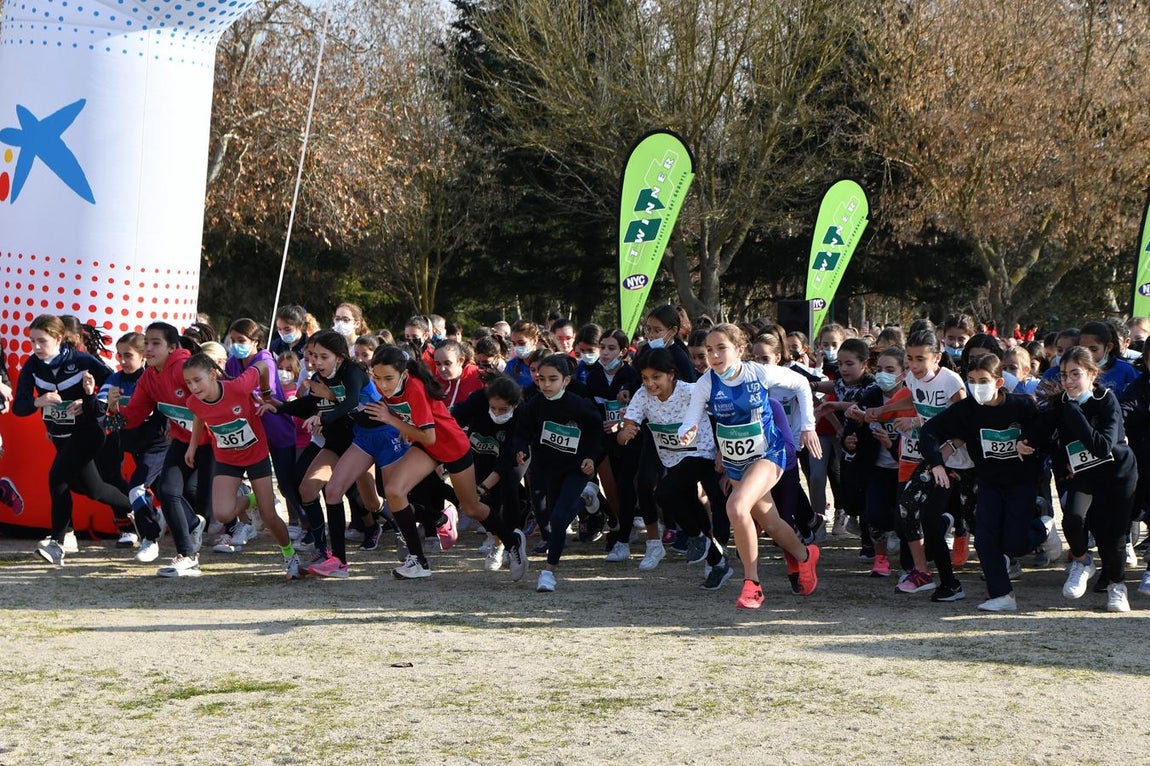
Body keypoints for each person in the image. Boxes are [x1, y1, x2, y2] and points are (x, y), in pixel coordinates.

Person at [677, 324, 821, 609]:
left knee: (736, 506)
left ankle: (752, 584)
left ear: (740, 350)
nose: (714, 356)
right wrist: (687, 430)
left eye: (721, 348)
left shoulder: (759, 372)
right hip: (736, 461)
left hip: (770, 453)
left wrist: (807, 426)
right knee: (770, 522)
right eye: (709, 350)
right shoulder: (706, 383)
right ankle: (805, 556)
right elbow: (691, 415)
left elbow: (802, 385)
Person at [364, 345, 529, 582]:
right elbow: (417, 426)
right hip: (427, 446)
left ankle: (512, 541)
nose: (383, 384)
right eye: (377, 378)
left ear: (403, 373)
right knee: (393, 491)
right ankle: (418, 560)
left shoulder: (415, 388)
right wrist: (402, 423)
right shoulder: (391, 388)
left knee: (472, 508)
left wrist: (393, 421)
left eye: (388, 378)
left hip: (451, 445)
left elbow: (429, 435)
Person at [919, 353, 1052, 611]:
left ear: (999, 382)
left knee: (1014, 543)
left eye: (983, 380)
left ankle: (1043, 527)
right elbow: (929, 431)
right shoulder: (966, 410)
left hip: (1021, 482)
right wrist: (936, 461)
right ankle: (1002, 595)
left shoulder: (1022, 406)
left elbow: (1045, 431)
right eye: (970, 380)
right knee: (984, 538)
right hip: (989, 482)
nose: (976, 386)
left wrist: (1029, 443)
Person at [1021, 346, 1137, 612]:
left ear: (1092, 374)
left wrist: (1073, 411)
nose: (1069, 381)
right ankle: (1082, 561)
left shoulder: (1106, 400)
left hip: (1118, 475)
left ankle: (1117, 587)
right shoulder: (1060, 404)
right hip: (1084, 475)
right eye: (1064, 375)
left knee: (1114, 537)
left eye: (1076, 374)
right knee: (1073, 519)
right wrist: (1024, 442)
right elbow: (1040, 430)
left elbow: (1102, 446)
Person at [13, 314, 132, 566]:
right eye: (32, 341)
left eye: (41, 341)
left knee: (57, 478)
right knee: (94, 489)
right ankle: (143, 508)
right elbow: (19, 407)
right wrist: (39, 401)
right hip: (60, 435)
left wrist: (87, 399)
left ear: (58, 338)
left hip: (89, 431)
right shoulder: (33, 366)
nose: (35, 347)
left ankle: (58, 542)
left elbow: (113, 384)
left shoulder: (81, 359)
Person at [620, 348, 733, 587]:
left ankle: (711, 551)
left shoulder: (691, 392)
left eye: (656, 377)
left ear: (671, 375)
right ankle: (710, 552)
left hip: (705, 454)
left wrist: (723, 451)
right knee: (686, 504)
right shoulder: (643, 395)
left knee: (712, 502)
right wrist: (624, 433)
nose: (650, 384)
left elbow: (722, 416)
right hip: (674, 458)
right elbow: (628, 425)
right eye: (645, 378)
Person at [106, 322, 211, 576]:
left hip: (213, 443)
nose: (149, 348)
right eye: (147, 343)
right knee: (166, 490)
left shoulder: (184, 368)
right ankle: (188, 556)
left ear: (173, 347)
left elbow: (209, 404)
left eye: (156, 343)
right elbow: (133, 418)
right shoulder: (149, 377)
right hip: (182, 441)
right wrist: (114, 407)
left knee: (221, 507)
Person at [182, 353, 299, 578]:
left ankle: (290, 554)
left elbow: (265, 365)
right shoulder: (193, 401)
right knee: (223, 514)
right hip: (227, 459)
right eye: (188, 382)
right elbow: (199, 414)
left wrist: (266, 393)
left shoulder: (238, 387)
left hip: (256, 454)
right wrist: (192, 445)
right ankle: (250, 498)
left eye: (197, 380)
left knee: (269, 516)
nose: (193, 387)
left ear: (213, 375)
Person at [514, 354, 604, 592]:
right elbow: (522, 430)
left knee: (558, 518)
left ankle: (548, 572)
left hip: (576, 469)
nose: (545, 385)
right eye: (541, 379)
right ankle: (585, 498)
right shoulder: (535, 403)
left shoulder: (578, 404)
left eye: (552, 379)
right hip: (548, 469)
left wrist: (590, 458)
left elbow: (597, 432)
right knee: (557, 515)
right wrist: (521, 449)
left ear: (565, 380)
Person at [97, 332, 169, 553]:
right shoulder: (115, 379)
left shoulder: (152, 377)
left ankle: (152, 535)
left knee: (144, 488)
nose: (122, 361)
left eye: (128, 355)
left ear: (143, 356)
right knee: (121, 480)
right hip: (131, 442)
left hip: (157, 443)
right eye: (119, 356)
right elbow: (106, 415)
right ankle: (132, 526)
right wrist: (109, 405)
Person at [451, 375, 527, 570]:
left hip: (514, 457)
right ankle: (497, 542)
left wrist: (484, 486)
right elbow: (453, 419)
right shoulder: (478, 400)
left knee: (508, 489)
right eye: (493, 408)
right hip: (481, 452)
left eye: (503, 409)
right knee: (484, 504)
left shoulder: (522, 415)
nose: (497, 413)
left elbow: (508, 459)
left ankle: (512, 542)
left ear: (515, 405)